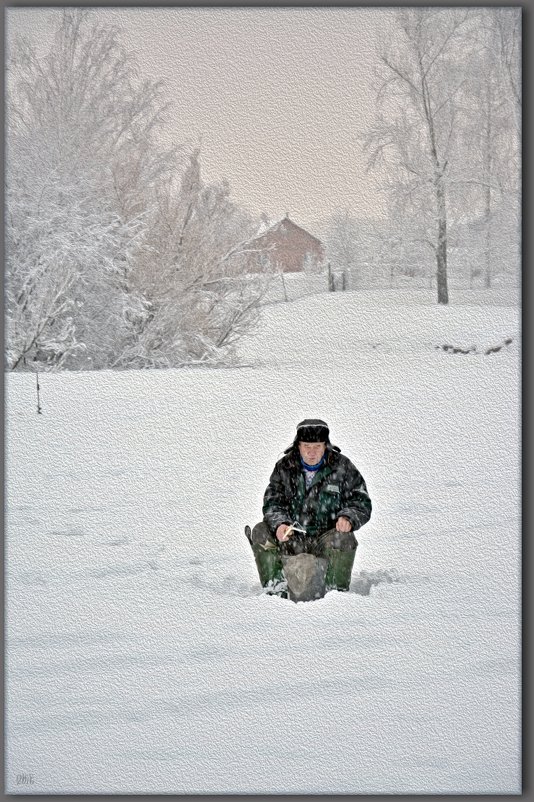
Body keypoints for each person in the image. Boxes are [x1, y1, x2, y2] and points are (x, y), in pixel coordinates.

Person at [248, 419, 372, 596]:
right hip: (292, 537)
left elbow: (361, 500)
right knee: (260, 531)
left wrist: (348, 517)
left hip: (326, 538)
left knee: (344, 538)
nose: (311, 452)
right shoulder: (284, 467)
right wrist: (280, 524)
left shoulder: (342, 466)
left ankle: (336, 595)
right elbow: (272, 502)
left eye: (317, 446)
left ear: (326, 446)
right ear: (298, 445)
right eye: (306, 446)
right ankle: (276, 591)